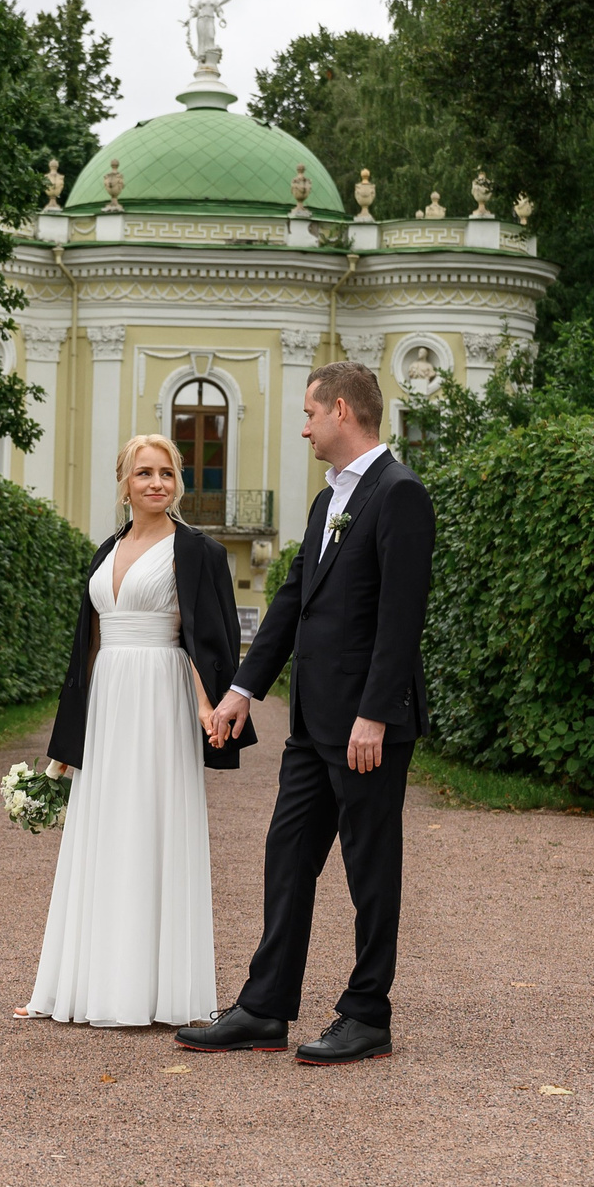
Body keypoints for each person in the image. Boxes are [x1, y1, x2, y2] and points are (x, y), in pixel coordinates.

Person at [179, 362, 433, 1065]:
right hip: (312, 725)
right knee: (286, 855)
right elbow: (291, 602)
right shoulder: (328, 504)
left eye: (310, 414)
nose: (304, 427)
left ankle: (367, 1013)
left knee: (369, 868)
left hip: (366, 728)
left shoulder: (400, 493)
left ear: (343, 410)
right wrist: (240, 690)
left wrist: (376, 713)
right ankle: (264, 1008)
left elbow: (400, 616)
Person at [18, 433, 255, 1026]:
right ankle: (82, 984)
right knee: (102, 830)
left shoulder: (198, 551)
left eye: (167, 473)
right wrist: (66, 746)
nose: (157, 483)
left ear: (178, 482)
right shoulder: (104, 551)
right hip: (108, 699)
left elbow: (205, 636)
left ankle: (161, 990)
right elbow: (87, 648)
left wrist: (210, 707)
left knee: (152, 826)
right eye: (144, 473)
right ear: (124, 482)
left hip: (159, 698)